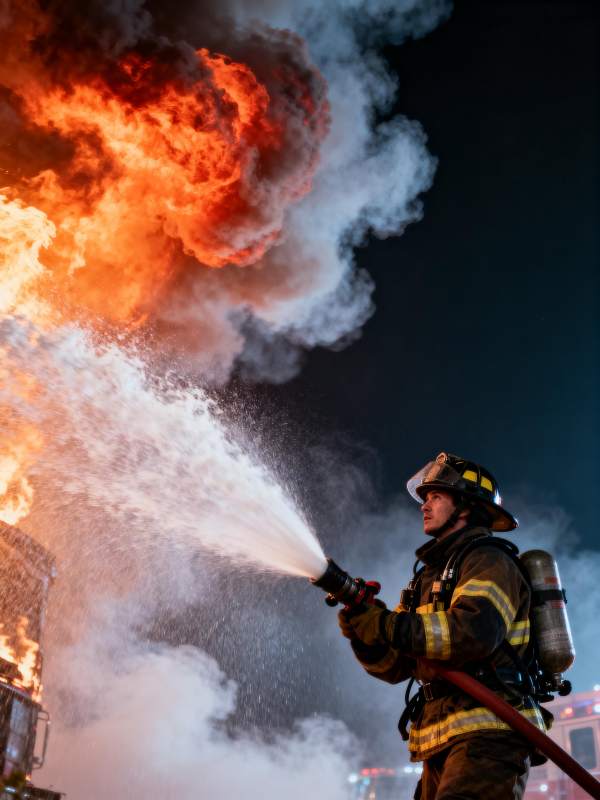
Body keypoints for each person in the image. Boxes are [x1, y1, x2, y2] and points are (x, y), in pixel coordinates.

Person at [338, 452, 549, 800]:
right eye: (425, 498)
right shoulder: (428, 577)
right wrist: (363, 630)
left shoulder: (489, 561)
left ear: (465, 506)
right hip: (441, 736)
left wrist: (386, 624)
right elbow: (394, 665)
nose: (424, 505)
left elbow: (471, 634)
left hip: (489, 732)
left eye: (436, 496)